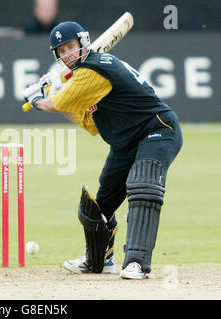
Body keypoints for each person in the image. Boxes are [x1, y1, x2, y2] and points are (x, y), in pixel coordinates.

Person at [23, 21, 183, 279]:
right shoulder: (83, 78)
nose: (67, 55)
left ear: (84, 43)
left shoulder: (92, 70)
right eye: (61, 51)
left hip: (158, 129)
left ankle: (137, 263)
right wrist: (54, 95)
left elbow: (54, 105)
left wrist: (37, 99)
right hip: (126, 142)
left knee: (142, 187)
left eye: (71, 48)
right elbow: (85, 119)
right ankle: (99, 260)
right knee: (97, 209)